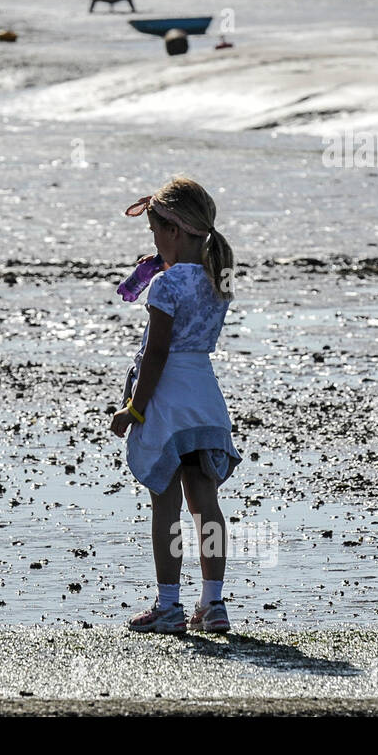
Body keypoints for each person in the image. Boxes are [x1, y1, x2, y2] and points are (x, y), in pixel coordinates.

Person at [110, 177, 241, 633]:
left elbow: (157, 354)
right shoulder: (216, 277)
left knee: (165, 504)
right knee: (206, 502)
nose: (153, 241)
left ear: (173, 231)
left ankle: (169, 605)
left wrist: (134, 409)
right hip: (204, 397)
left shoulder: (165, 286)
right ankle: (214, 602)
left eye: (154, 232)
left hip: (167, 401)